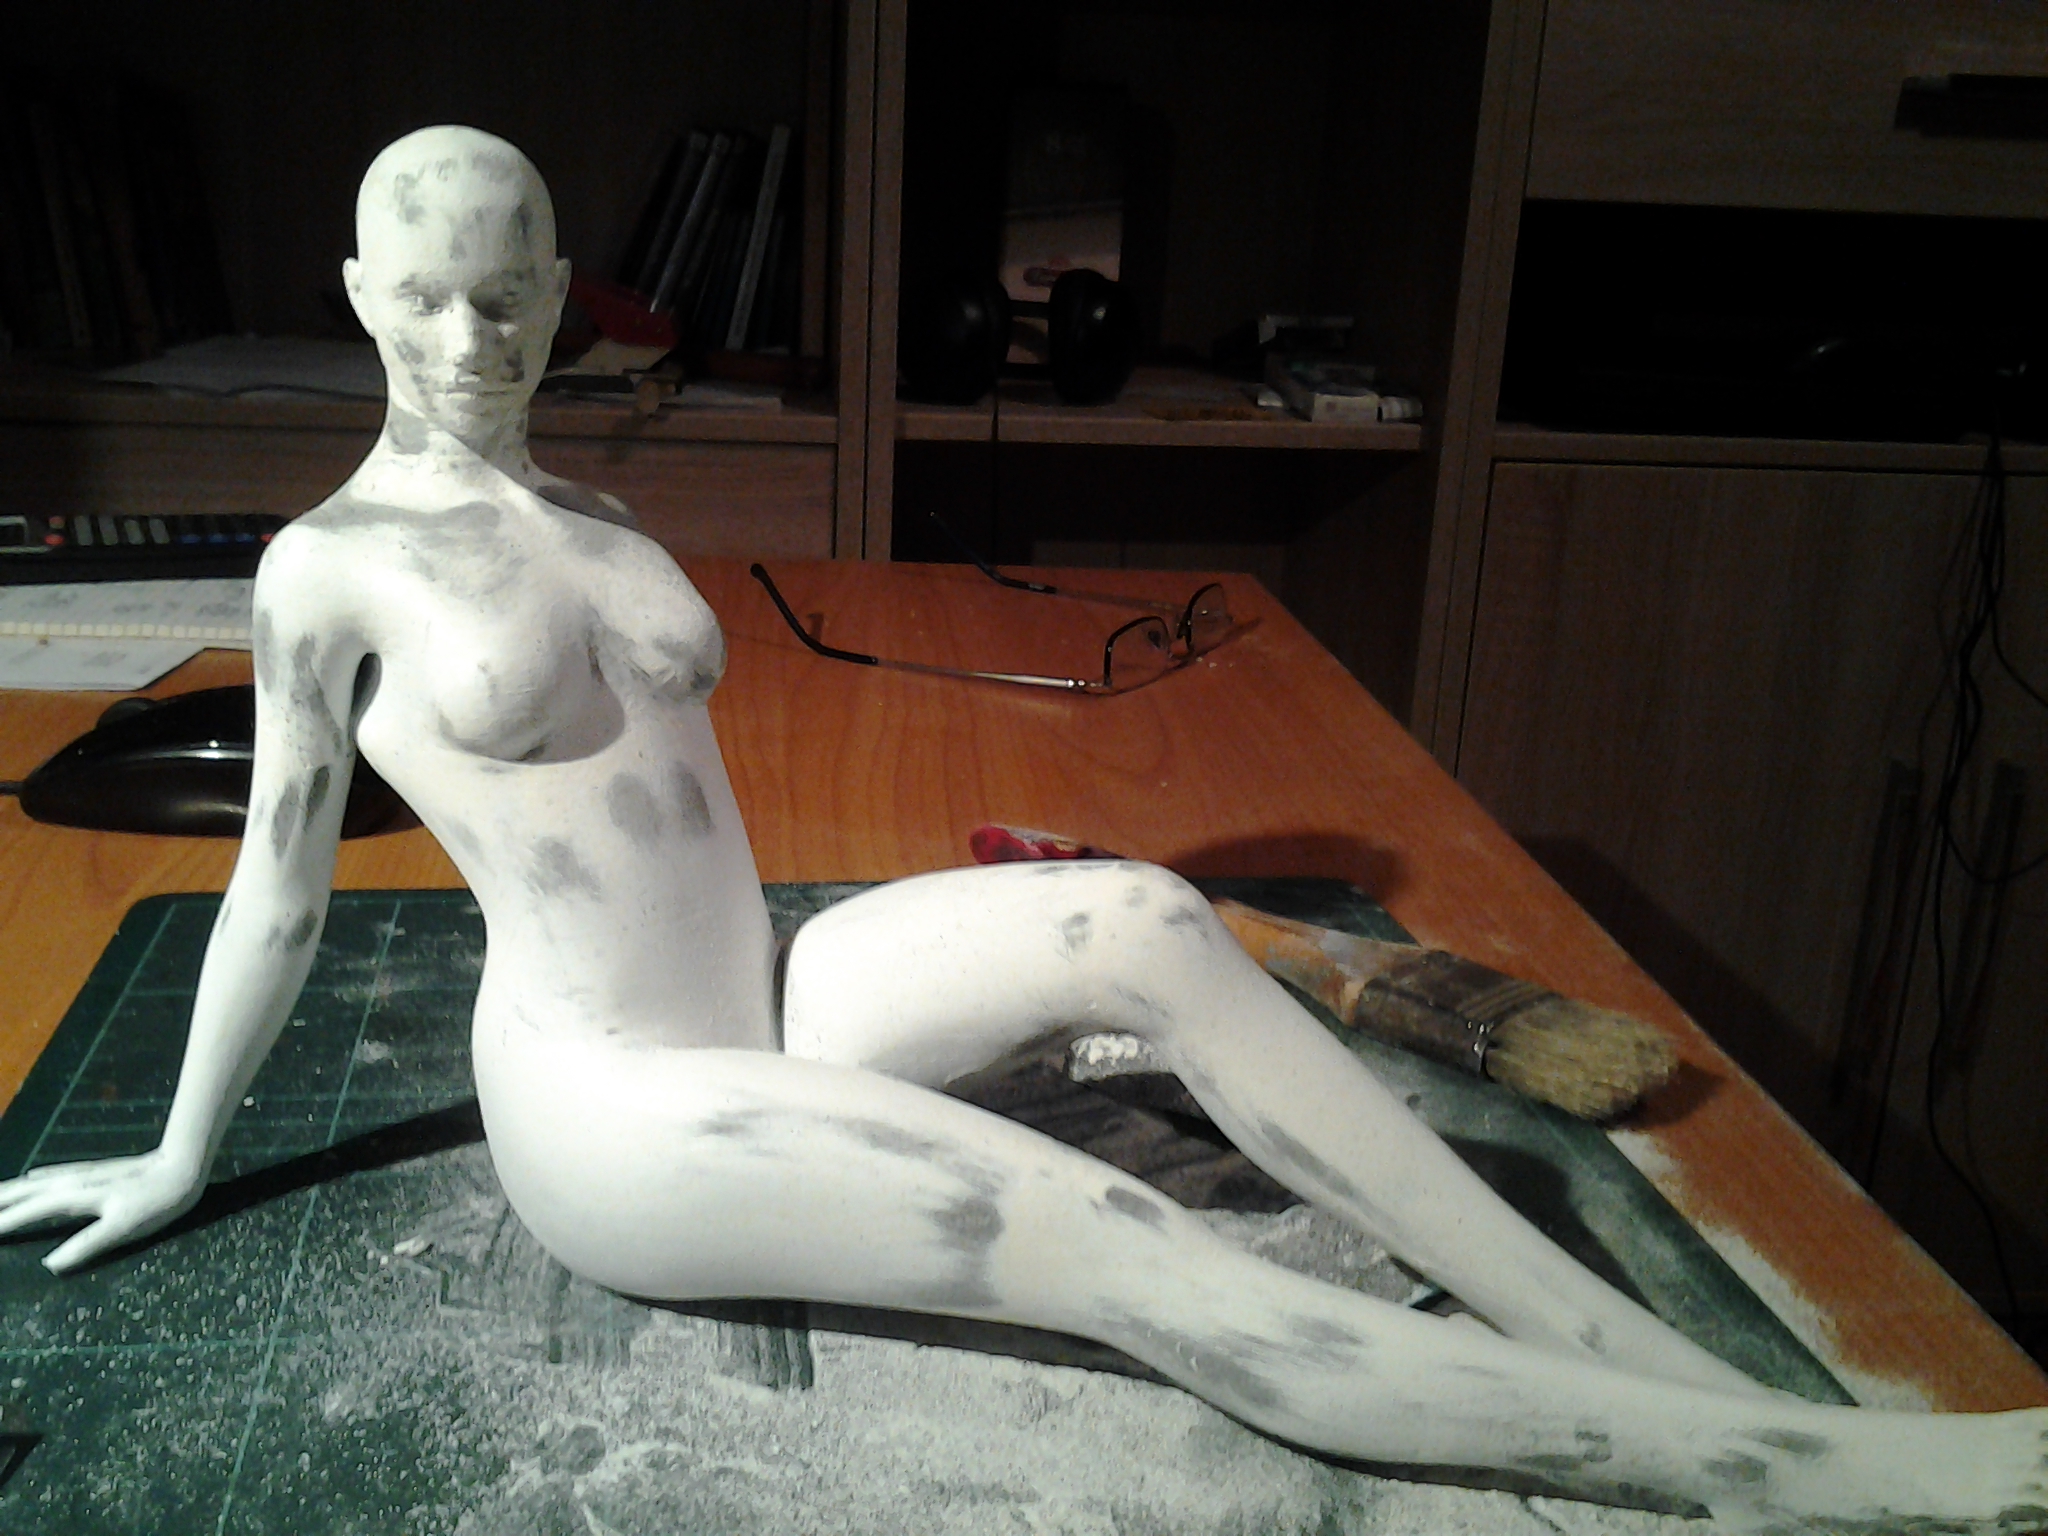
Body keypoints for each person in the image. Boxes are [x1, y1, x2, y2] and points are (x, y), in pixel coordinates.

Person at [0, 127, 2039, 1530]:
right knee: (1112, 1242)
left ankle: (1591, 1329)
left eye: (511, 299)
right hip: (610, 1108)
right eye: (433, 302)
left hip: (767, 995)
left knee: (1144, 918)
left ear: (561, 295)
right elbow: (275, 891)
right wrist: (182, 1154)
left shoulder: (598, 512)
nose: (475, 348)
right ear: (363, 296)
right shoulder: (328, 572)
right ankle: (1813, 1481)